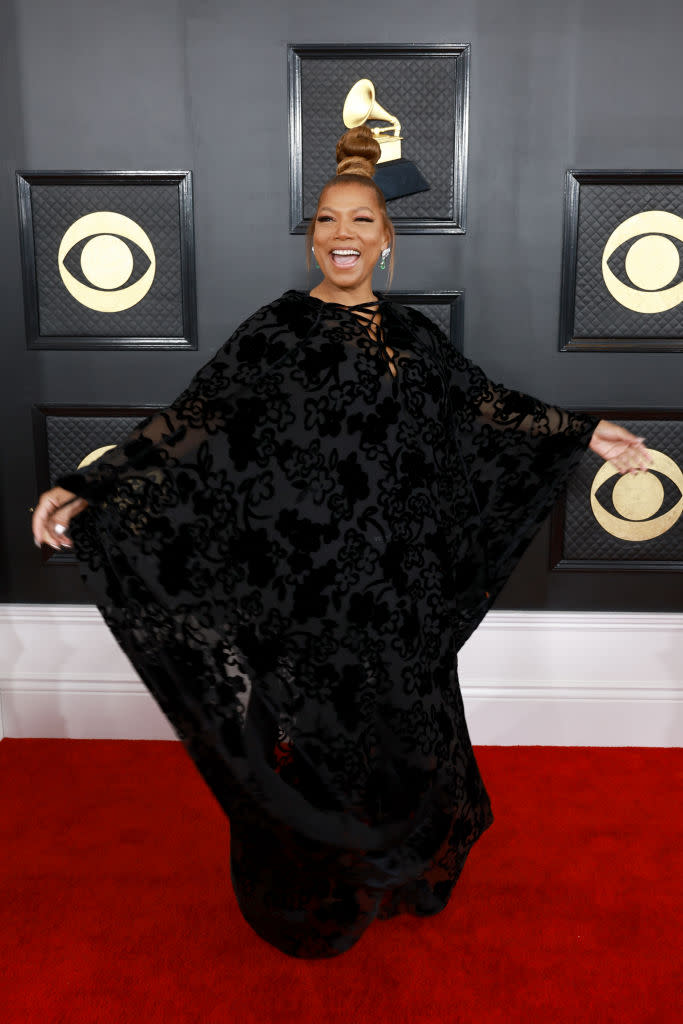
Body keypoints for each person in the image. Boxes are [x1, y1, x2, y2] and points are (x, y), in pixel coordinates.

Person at [32, 126, 651, 959]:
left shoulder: (412, 339)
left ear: (385, 238)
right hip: (294, 580)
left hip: (394, 581)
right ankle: (317, 886)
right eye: (327, 220)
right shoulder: (273, 330)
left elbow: (486, 407)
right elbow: (192, 420)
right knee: (309, 734)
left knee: (404, 729)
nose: (342, 235)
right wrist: (88, 485)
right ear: (313, 235)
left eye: (360, 220)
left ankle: (396, 866)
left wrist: (585, 431)